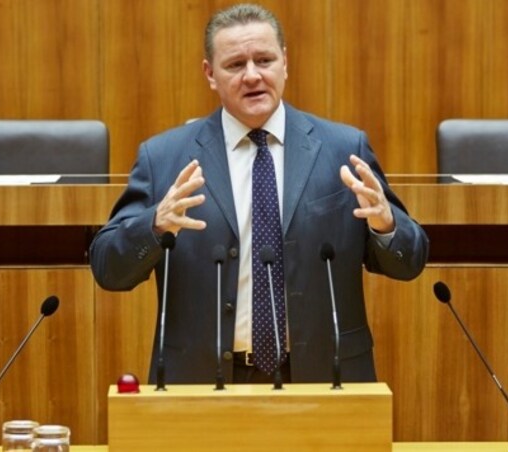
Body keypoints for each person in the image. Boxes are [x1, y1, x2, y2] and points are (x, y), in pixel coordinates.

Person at [90, 3, 428, 385]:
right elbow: (108, 268)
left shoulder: (343, 149)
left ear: (285, 62)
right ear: (210, 74)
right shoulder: (165, 158)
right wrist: (152, 226)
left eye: (264, 60)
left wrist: (386, 227)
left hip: (326, 379)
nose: (252, 75)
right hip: (201, 384)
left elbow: (410, 261)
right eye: (235, 65)